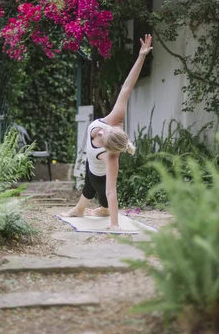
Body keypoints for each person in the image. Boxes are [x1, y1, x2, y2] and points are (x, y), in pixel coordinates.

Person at [61, 34, 153, 230]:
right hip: (91, 163)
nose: (100, 134)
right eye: (103, 133)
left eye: (103, 140)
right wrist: (142, 56)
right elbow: (128, 86)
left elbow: (112, 191)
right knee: (87, 182)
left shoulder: (112, 159)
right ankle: (79, 209)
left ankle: (103, 211)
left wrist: (114, 225)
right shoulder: (115, 118)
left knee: (99, 192)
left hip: (102, 178)